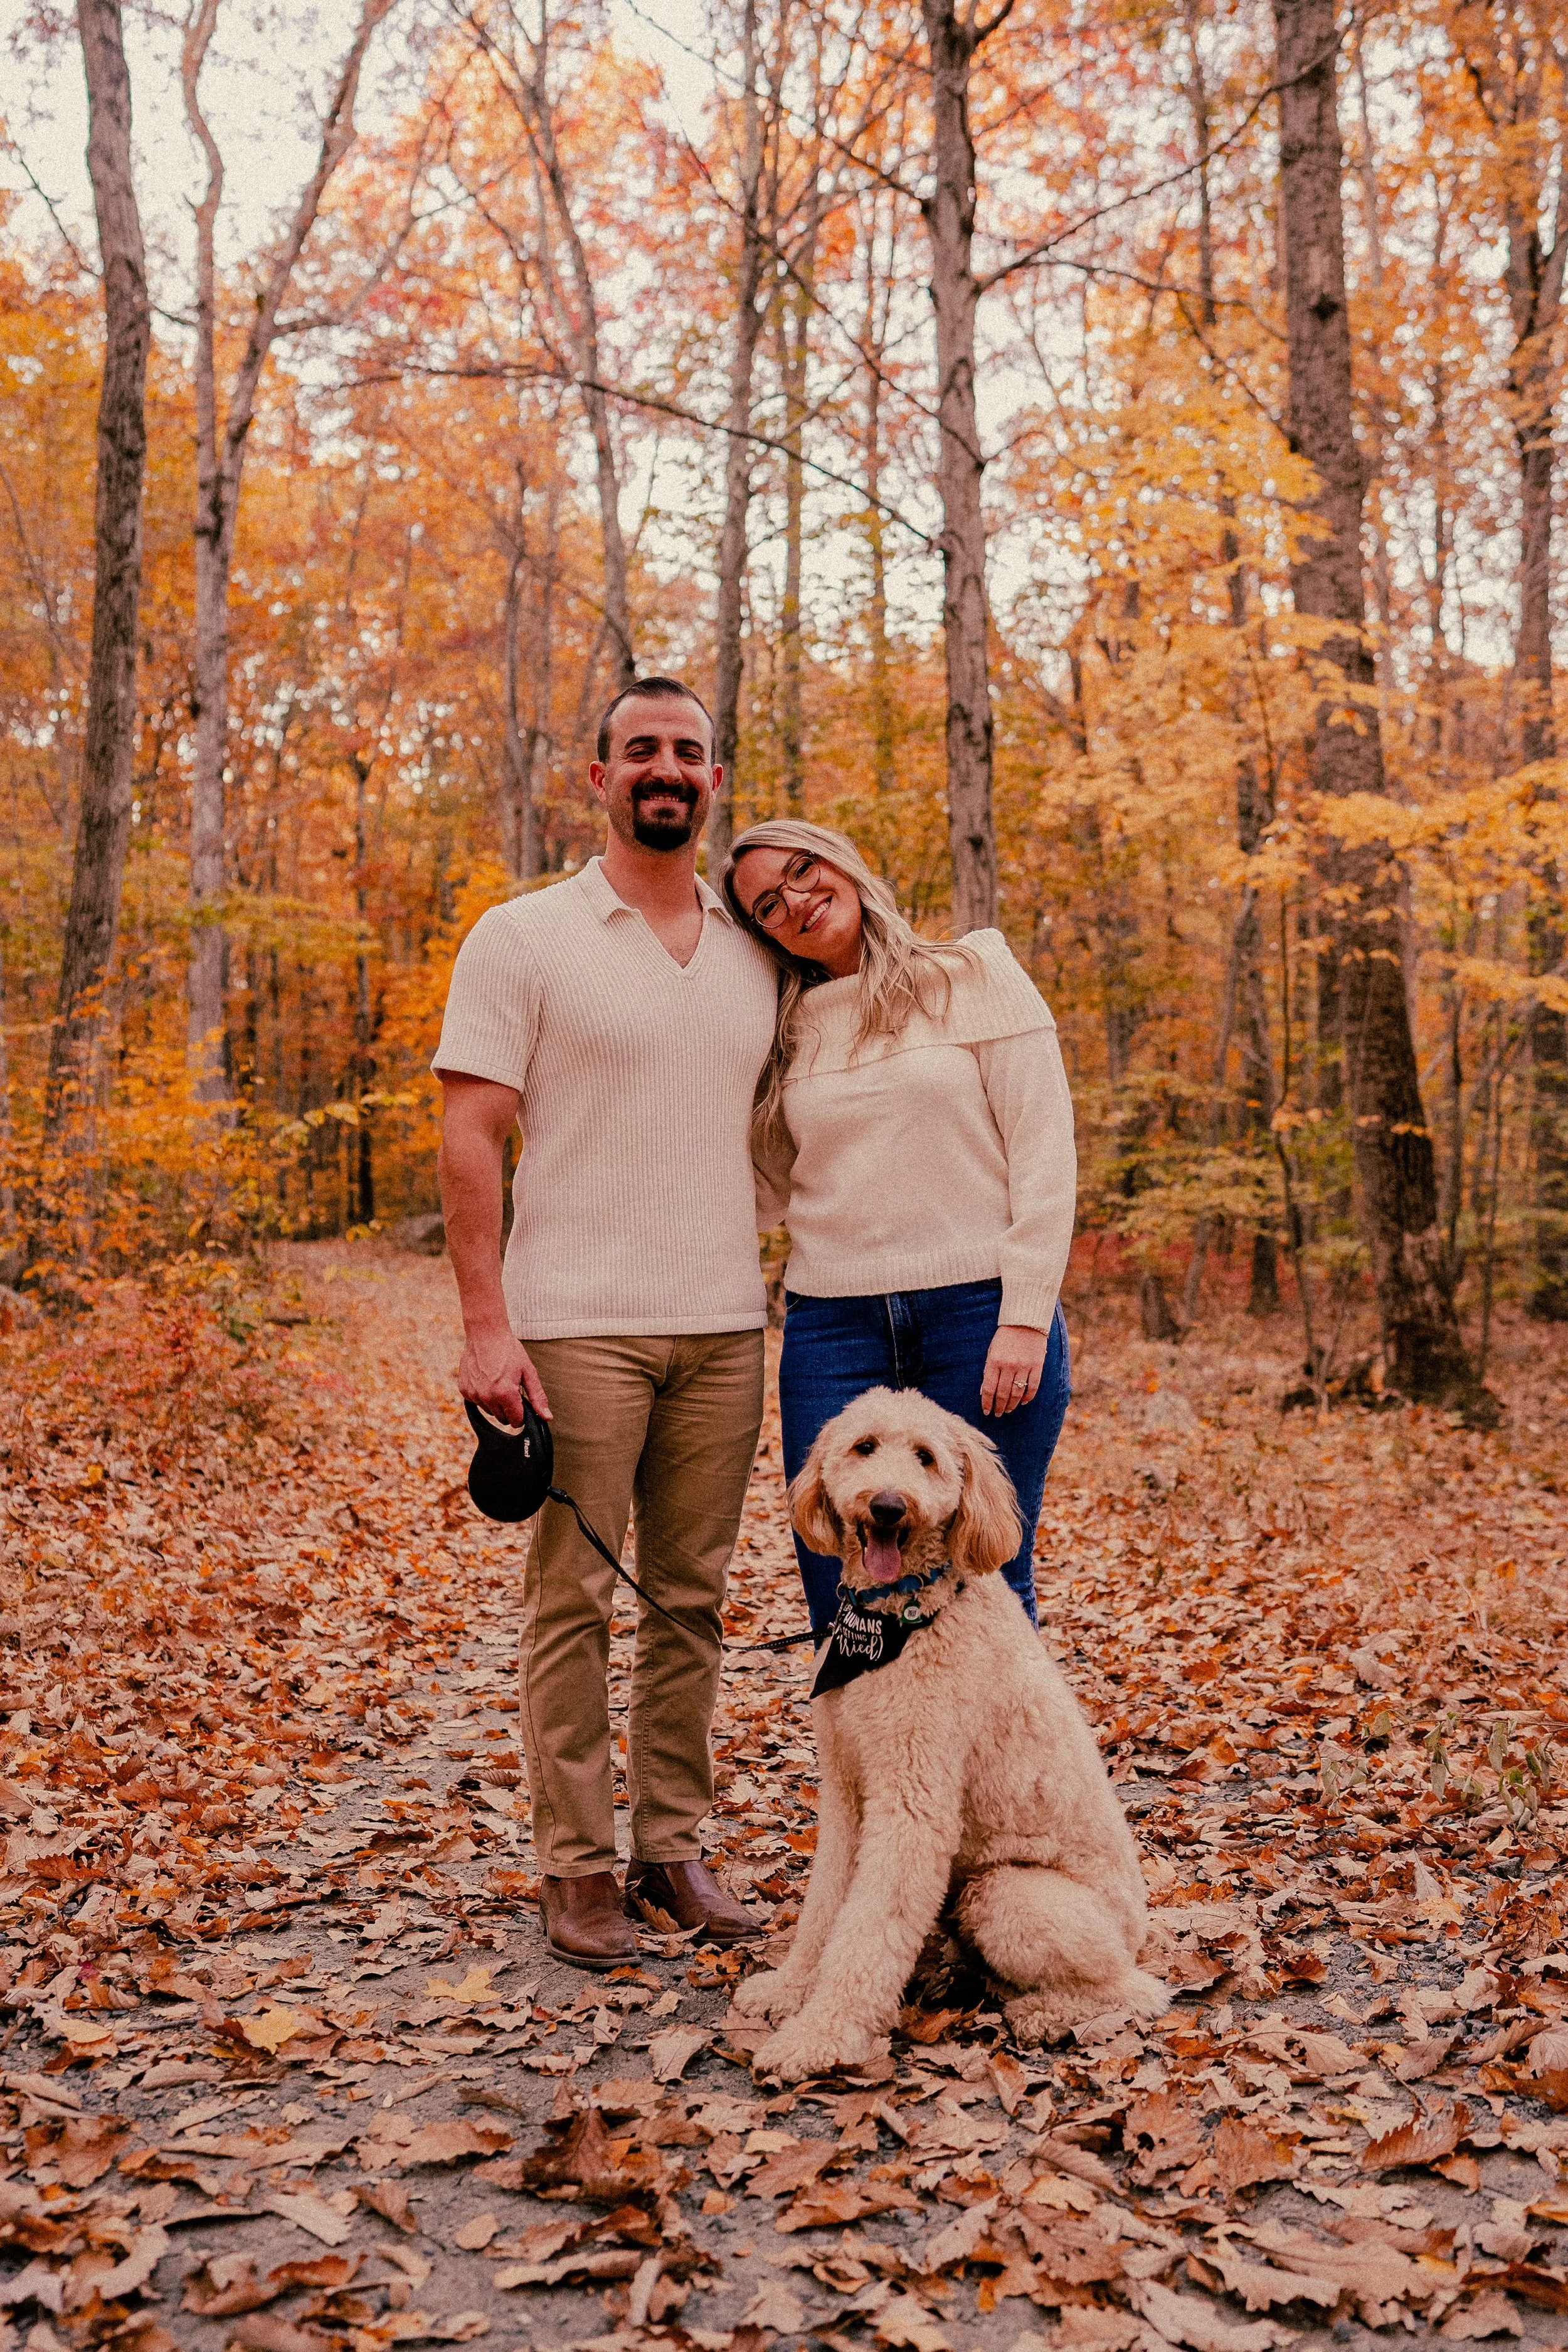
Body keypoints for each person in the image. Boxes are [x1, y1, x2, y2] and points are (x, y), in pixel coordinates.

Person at [433, 678, 778, 1969]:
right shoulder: (523, 936)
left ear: (711, 778)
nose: (666, 769)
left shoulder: (758, 951)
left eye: (687, 752)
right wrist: (488, 1323)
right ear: (597, 778)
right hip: (574, 1321)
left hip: (725, 1327)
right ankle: (575, 1868)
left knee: (689, 1600)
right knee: (571, 1598)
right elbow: (469, 1133)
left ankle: (671, 1846)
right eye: (641, 749)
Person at [722, 819, 1076, 1641]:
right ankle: (876, 1775)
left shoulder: (975, 971)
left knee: (986, 1585)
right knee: (846, 1598)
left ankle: (1003, 1771)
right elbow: (760, 1191)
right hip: (833, 1331)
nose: (798, 900)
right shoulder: (785, 1031)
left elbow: (1043, 1152)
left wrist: (1024, 1315)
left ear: (843, 860)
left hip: (981, 1318)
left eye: (804, 871)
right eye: (770, 904)